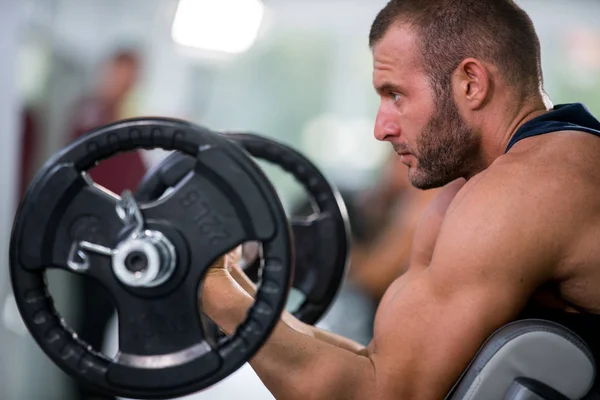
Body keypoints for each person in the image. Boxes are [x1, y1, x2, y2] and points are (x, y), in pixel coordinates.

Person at [199, 0, 600, 399]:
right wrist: (228, 280)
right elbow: (379, 362)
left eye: (395, 95)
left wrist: (206, 285)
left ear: (471, 84)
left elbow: (379, 394)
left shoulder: (528, 189)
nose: (381, 128)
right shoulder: (477, 189)